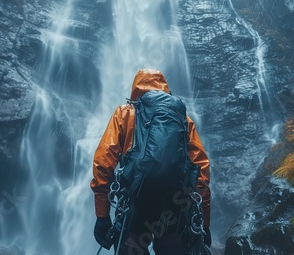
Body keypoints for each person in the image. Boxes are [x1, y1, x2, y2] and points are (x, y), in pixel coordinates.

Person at [90, 69, 211, 254]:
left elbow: (103, 162)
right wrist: (205, 222)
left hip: (136, 201)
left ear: (135, 89)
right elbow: (201, 171)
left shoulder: (124, 113)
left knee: (130, 246)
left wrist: (102, 215)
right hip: (175, 205)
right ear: (165, 89)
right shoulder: (182, 119)